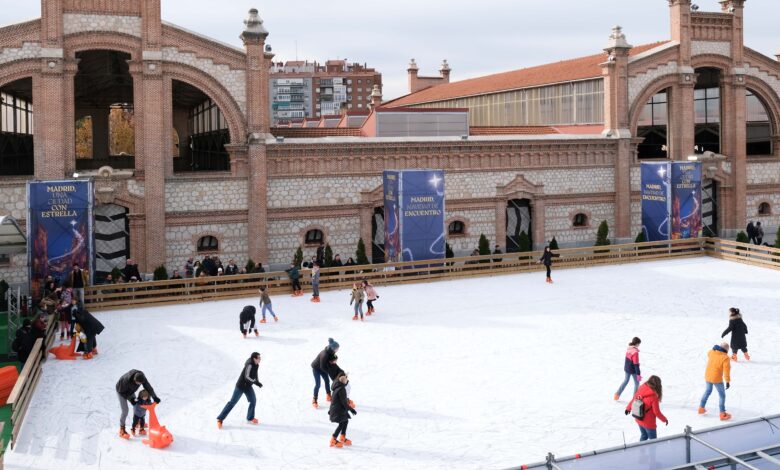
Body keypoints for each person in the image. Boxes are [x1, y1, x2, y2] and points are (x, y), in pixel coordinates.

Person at [217, 352, 263, 428]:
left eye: (260, 357)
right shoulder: (250, 365)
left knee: (253, 400)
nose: (260, 359)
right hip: (240, 386)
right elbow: (246, 377)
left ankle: (250, 417)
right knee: (232, 402)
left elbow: (255, 374)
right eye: (259, 358)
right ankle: (220, 419)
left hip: (248, 386)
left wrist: (257, 381)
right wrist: (254, 382)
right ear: (254, 358)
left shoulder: (256, 364)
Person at [116, 370, 160, 439]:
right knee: (125, 411)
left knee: (137, 405)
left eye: (140, 383)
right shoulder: (126, 381)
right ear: (134, 380)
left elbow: (148, 388)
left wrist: (154, 397)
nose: (139, 384)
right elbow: (121, 391)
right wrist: (131, 399)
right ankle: (122, 428)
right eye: (138, 383)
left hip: (130, 390)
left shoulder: (142, 377)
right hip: (121, 391)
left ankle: (138, 421)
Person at [624, 375, 668, 441]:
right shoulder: (654, 397)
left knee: (644, 436)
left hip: (639, 418)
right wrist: (664, 419)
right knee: (653, 442)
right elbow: (657, 412)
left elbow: (634, 398)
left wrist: (628, 408)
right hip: (649, 423)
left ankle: (640, 450)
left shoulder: (642, 387)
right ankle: (652, 451)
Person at [699, 342, 732, 421]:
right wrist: (727, 381)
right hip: (716, 378)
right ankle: (722, 413)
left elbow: (709, 353)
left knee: (708, 391)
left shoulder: (711, 352)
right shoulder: (725, 358)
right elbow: (726, 371)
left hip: (708, 376)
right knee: (722, 395)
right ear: (726, 350)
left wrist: (715, 349)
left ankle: (701, 408)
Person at [329, 372, 356, 448]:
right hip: (338, 410)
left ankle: (342, 437)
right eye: (347, 379)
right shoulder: (341, 389)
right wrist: (351, 410)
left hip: (337, 409)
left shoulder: (337, 386)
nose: (348, 380)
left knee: (345, 421)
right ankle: (333, 439)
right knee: (342, 423)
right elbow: (344, 403)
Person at [311, 338, 339, 408]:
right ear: (332, 348)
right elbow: (323, 367)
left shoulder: (331, 351)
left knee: (327, 381)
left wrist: (335, 359)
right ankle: (314, 399)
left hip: (322, 368)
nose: (337, 350)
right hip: (317, 369)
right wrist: (330, 372)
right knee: (318, 384)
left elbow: (333, 356)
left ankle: (328, 395)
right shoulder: (324, 354)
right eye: (337, 348)